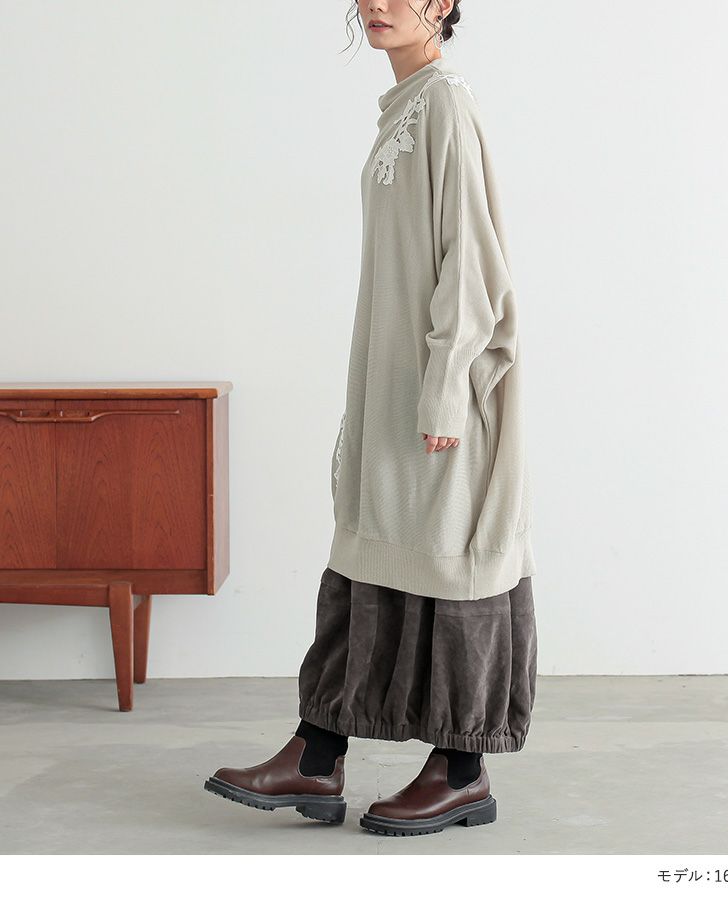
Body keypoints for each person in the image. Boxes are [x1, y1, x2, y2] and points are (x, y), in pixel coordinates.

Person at [204, 0, 538, 838]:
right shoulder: (406, 104)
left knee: (449, 562)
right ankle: (317, 755)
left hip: (438, 391)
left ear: (446, 3)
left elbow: (473, 258)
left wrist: (448, 384)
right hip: (392, 385)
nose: (379, 3)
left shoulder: (446, 102)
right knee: (370, 551)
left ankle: (461, 771)